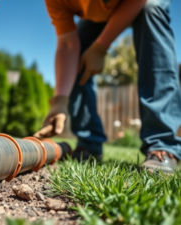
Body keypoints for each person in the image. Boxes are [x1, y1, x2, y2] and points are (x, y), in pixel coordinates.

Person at [34, 0, 181, 173]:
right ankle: (90, 144)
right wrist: (60, 102)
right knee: (79, 44)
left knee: (151, 9)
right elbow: (67, 44)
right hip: (98, 17)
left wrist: (101, 47)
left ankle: (162, 146)